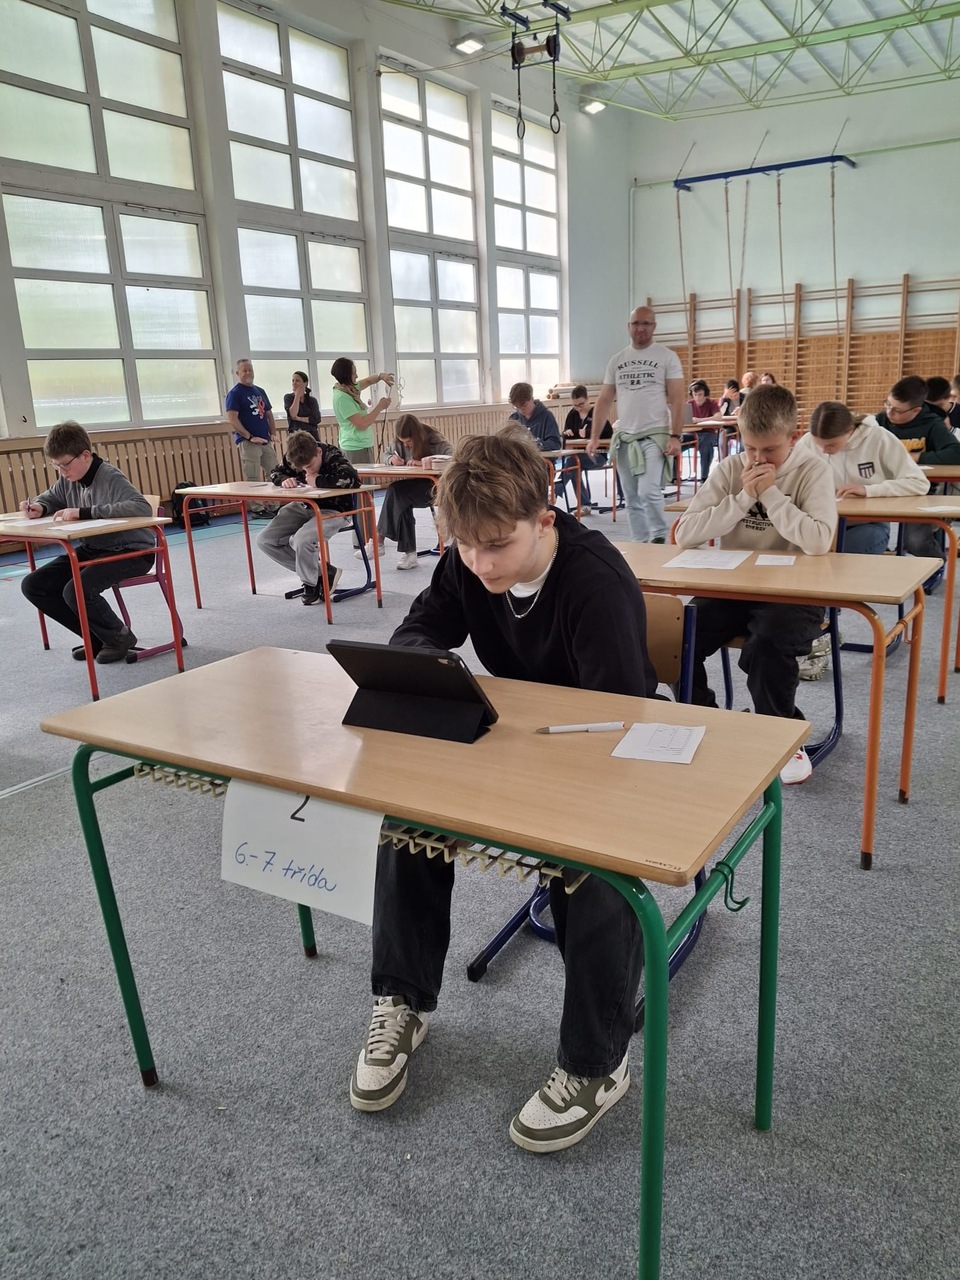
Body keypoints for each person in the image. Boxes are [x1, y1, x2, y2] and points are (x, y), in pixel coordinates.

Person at [350, 424, 658, 1153]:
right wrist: (440, 679)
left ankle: (599, 1061)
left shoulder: (595, 581)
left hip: (602, 754)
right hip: (514, 745)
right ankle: (403, 1000)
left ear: (544, 519)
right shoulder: (469, 559)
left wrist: (523, 751)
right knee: (408, 820)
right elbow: (415, 635)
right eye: (465, 546)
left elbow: (617, 719)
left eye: (497, 545)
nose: (480, 563)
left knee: (592, 860)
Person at [675, 384, 837, 786]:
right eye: (750, 449)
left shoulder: (814, 470)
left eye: (770, 450)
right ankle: (706, 720)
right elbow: (686, 534)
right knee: (676, 636)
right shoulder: (730, 470)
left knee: (766, 646)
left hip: (795, 592)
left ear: (794, 437)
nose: (759, 460)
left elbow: (819, 541)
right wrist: (742, 498)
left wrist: (773, 495)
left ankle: (780, 732)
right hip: (734, 585)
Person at [19, 421, 154, 664]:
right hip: (96, 549)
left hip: (133, 551)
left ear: (85, 455)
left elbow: (141, 507)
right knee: (34, 585)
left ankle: (118, 637)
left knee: (76, 590)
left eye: (65, 465)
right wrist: (39, 506)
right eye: (56, 466)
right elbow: (51, 497)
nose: (62, 472)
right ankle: (96, 638)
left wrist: (85, 512)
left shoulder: (110, 476)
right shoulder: (68, 479)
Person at [587, 305, 685, 542]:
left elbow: (677, 397)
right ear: (628, 326)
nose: (640, 328)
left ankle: (660, 535)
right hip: (625, 437)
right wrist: (594, 437)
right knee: (631, 497)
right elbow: (604, 399)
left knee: (648, 491)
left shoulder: (666, 357)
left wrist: (675, 436)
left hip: (655, 434)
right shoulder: (617, 360)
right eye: (636, 323)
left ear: (654, 326)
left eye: (646, 324)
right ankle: (640, 541)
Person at [256, 430, 360, 605]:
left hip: (335, 510)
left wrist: (318, 480)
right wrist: (284, 479)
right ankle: (322, 572)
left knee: (303, 539)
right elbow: (275, 473)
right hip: (305, 506)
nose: (306, 470)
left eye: (310, 466)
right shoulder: (294, 456)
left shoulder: (332, 455)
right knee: (265, 540)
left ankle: (310, 584)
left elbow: (352, 480)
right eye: (302, 468)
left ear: (318, 452)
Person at [876, 375, 960, 560]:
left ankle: (936, 567)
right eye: (888, 404)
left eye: (897, 410)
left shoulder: (932, 423)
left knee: (916, 541)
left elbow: (956, 452)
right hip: (882, 488)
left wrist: (916, 457)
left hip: (918, 492)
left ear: (916, 410)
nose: (890, 413)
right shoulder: (879, 422)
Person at [364, 413, 451, 571]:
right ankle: (407, 554)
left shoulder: (433, 439)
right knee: (399, 496)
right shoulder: (399, 442)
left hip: (435, 488)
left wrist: (423, 463)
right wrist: (391, 460)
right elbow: (387, 454)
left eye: (408, 441)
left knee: (397, 493)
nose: (406, 445)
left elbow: (452, 458)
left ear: (416, 435)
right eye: (402, 441)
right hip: (413, 488)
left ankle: (379, 542)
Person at [225, 358, 278, 518]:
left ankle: (274, 505)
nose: (248, 373)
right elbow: (232, 419)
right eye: (245, 370)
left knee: (274, 471)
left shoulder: (260, 391)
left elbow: (269, 414)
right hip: (249, 442)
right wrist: (249, 437)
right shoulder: (235, 394)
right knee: (253, 475)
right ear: (238, 373)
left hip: (265, 440)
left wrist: (272, 432)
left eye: (250, 370)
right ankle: (257, 508)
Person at [330, 358, 394, 465]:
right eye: (353, 373)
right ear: (345, 376)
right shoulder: (342, 397)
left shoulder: (351, 388)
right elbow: (362, 424)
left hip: (363, 444)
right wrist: (380, 406)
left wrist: (381, 376)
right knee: (363, 476)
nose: (357, 376)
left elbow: (369, 381)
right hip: (355, 447)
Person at [562, 384, 612, 509]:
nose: (578, 408)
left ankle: (556, 491)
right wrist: (566, 432)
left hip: (598, 455)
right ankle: (585, 505)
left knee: (572, 463)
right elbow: (566, 434)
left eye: (581, 404)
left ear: (588, 399)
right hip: (578, 454)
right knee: (573, 466)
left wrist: (589, 433)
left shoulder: (597, 413)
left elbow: (609, 433)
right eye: (575, 405)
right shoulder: (572, 414)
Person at [687, 379, 722, 482]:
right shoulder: (689, 404)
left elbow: (718, 417)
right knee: (677, 441)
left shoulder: (712, 403)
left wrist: (700, 420)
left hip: (708, 432)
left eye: (700, 394)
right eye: (695, 394)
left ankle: (704, 476)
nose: (697, 397)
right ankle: (674, 477)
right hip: (692, 432)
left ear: (705, 394)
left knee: (706, 444)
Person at [283, 370, 322, 441]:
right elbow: (293, 414)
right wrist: (297, 396)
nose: (294, 383)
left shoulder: (312, 400)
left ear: (305, 384)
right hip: (295, 435)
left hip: (311, 434)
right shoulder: (288, 397)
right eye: (293, 381)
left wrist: (298, 418)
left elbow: (316, 419)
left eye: (297, 381)